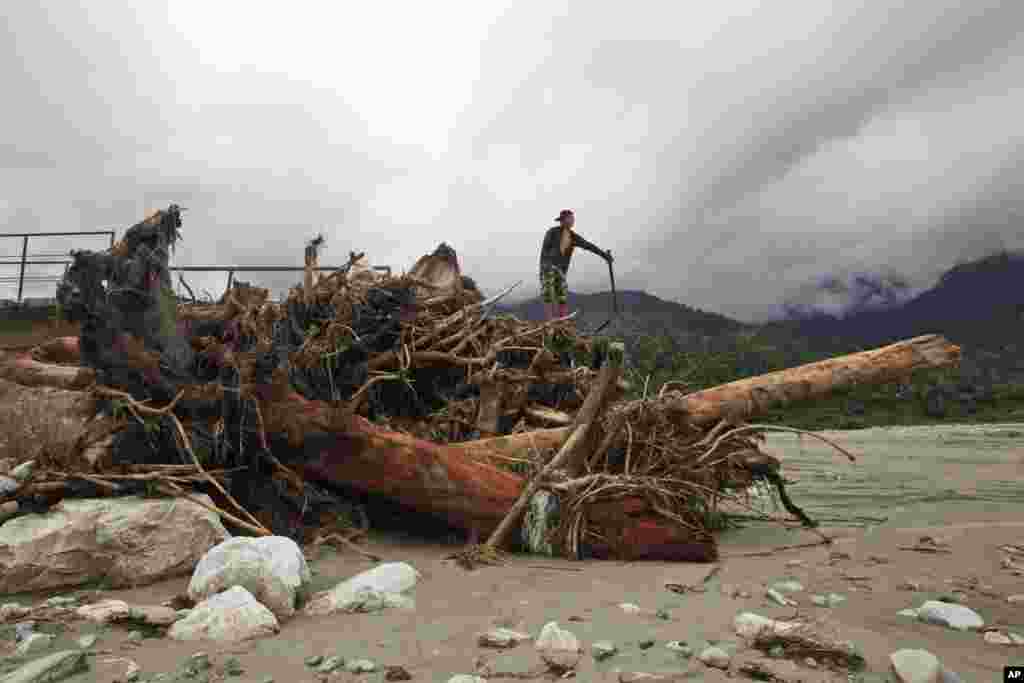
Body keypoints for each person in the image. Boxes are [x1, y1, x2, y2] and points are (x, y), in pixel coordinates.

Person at [538, 209, 612, 320]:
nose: (573, 221)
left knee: (562, 295)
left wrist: (604, 255)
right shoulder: (552, 232)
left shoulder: (573, 237)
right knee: (548, 292)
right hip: (549, 267)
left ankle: (561, 321)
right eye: (571, 219)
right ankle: (551, 319)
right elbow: (545, 250)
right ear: (563, 220)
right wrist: (546, 266)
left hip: (561, 270)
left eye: (573, 219)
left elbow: (588, 245)